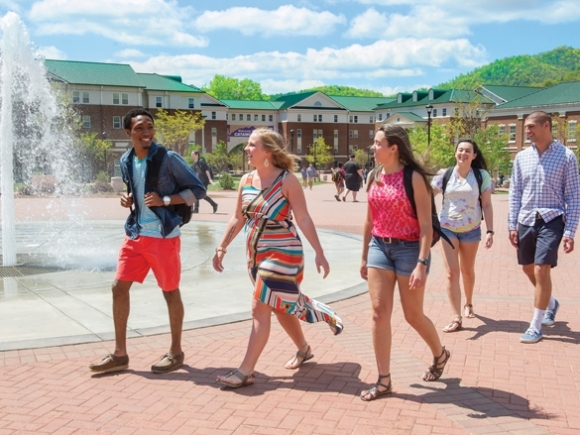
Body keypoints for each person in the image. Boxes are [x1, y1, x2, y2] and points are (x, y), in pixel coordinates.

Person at [212, 128, 343, 388]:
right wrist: (222, 247)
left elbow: (303, 218)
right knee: (277, 304)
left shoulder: (287, 181)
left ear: (268, 152)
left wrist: (320, 252)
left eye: (251, 145)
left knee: (259, 305)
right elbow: (238, 218)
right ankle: (304, 347)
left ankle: (245, 371)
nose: (246, 150)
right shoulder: (246, 180)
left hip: (284, 251)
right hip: (256, 254)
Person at [89, 109, 206, 374]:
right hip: (135, 234)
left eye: (150, 127)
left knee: (169, 291)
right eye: (140, 128)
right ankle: (120, 355)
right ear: (128, 132)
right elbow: (135, 189)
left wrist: (166, 200)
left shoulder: (169, 158)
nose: (146, 133)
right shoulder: (126, 160)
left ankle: (176, 352)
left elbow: (198, 190)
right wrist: (127, 198)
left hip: (164, 237)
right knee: (118, 287)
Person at [360, 125, 450, 401]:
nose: (373, 148)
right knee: (379, 312)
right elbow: (369, 219)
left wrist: (422, 263)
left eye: (377, 144)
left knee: (413, 315)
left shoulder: (414, 178)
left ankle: (440, 354)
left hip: (410, 250)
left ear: (393, 148)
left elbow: (425, 226)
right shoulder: (374, 176)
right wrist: (364, 254)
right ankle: (384, 380)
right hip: (379, 247)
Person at [508, 111, 580, 344]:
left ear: (546, 126)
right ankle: (550, 302)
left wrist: (570, 231)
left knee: (541, 269)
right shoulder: (521, 157)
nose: (526, 131)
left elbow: (574, 196)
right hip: (526, 219)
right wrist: (512, 224)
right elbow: (515, 192)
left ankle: (536, 325)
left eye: (530, 127)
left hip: (552, 219)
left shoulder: (566, 156)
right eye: (526, 127)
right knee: (528, 268)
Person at [431, 139, 494, 333]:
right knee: (451, 273)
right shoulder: (444, 174)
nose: (463, 153)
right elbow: (427, 194)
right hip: (447, 229)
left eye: (468, 151)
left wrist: (490, 230)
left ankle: (468, 302)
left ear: (474, 155)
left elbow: (487, 204)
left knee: (467, 271)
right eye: (460, 150)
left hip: (471, 230)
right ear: (455, 152)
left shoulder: (481, 176)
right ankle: (456, 317)